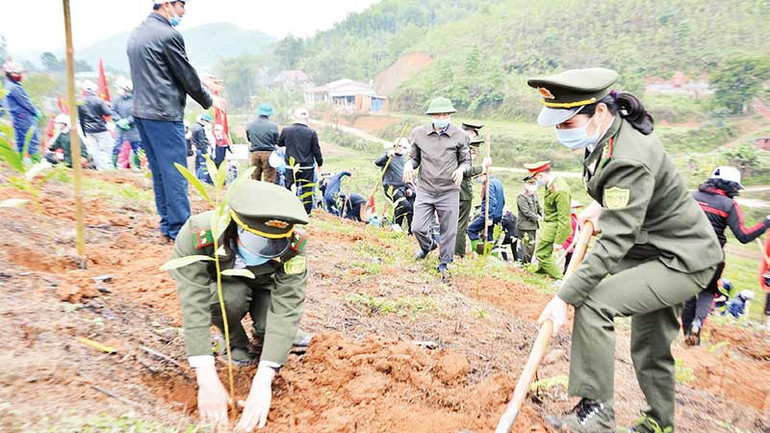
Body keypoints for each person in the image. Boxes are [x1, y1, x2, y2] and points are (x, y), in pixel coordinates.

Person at [531, 68, 722, 433]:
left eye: (567, 124)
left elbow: (613, 241)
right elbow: (626, 196)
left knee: (594, 303)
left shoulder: (628, 155)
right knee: (651, 345)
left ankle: (597, 413)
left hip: (681, 258)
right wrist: (603, 205)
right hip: (653, 247)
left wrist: (563, 298)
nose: (561, 133)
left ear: (599, 112)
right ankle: (660, 424)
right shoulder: (606, 138)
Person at [169, 180, 310, 431]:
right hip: (224, 286)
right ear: (235, 225)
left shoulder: (293, 244)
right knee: (228, 300)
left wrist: (264, 380)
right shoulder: (200, 234)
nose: (264, 250)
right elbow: (194, 302)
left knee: (278, 331)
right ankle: (235, 343)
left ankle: (266, 336)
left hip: (265, 285)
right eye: (256, 241)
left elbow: (288, 303)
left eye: (272, 245)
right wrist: (206, 377)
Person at [128, 0, 224, 241]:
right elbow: (185, 75)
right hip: (163, 114)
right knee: (176, 173)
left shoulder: (138, 33)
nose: (183, 13)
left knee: (160, 172)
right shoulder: (168, 34)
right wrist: (209, 100)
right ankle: (181, 231)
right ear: (168, 4)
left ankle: (167, 226)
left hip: (142, 112)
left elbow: (163, 69)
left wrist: (201, 79)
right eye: (182, 7)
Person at [680, 166, 770, 345]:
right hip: (713, 257)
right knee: (708, 292)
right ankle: (697, 324)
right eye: (735, 188)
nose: (736, 192)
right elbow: (743, 236)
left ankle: (686, 335)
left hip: (687, 252)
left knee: (689, 294)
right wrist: (766, 222)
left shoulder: (691, 196)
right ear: (729, 186)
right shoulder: (728, 205)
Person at [403, 97, 470, 280]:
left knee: (449, 230)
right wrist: (409, 164)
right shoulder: (419, 134)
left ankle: (444, 263)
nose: (442, 117)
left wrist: (461, 169)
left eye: (446, 114)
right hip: (425, 188)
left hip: (449, 190)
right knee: (417, 227)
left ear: (450, 115)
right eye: (438, 114)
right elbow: (414, 158)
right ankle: (427, 246)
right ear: (432, 116)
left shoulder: (460, 135)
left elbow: (466, 161)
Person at [525, 161, 571, 279]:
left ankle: (559, 279)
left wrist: (559, 241)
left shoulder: (560, 191)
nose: (536, 182)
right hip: (549, 224)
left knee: (542, 254)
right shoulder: (550, 184)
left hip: (554, 226)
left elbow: (564, 218)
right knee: (544, 252)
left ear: (540, 175)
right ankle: (539, 274)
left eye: (535, 179)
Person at [279, 107, 323, 214]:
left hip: (291, 166)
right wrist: (319, 163)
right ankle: (306, 212)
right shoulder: (311, 132)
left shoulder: (286, 130)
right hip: (307, 167)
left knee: (290, 188)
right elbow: (316, 149)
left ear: (294, 117)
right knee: (307, 190)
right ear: (307, 119)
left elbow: (279, 143)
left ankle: (289, 211)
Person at [457, 130, 492, 258]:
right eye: (472, 151)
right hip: (462, 194)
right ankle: (459, 252)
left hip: (464, 194)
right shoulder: (460, 155)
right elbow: (466, 171)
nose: (474, 154)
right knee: (461, 225)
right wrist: (483, 166)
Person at [3, 61, 40, 160]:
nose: (19, 75)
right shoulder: (14, 87)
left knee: (20, 140)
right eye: (16, 73)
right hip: (24, 117)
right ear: (9, 74)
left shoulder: (7, 86)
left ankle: (21, 161)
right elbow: (25, 102)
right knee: (32, 140)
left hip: (16, 117)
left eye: (20, 73)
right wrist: (35, 111)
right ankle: (35, 162)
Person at [78, 80, 113, 171]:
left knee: (94, 150)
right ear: (94, 90)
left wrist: (84, 131)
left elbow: (81, 119)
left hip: (88, 130)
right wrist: (108, 105)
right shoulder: (99, 101)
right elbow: (108, 113)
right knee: (106, 148)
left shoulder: (81, 102)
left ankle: (99, 167)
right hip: (100, 128)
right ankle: (107, 166)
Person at [467, 173, 505, 253]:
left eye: (478, 177)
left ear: (483, 175)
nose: (478, 179)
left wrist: (490, 217)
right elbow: (503, 200)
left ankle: (479, 251)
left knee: (471, 229)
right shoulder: (497, 182)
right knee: (491, 236)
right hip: (498, 215)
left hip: (488, 215)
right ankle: (491, 255)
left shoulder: (489, 184)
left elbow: (491, 201)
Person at [111, 78, 143, 169]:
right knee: (117, 145)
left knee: (136, 146)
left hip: (132, 127)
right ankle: (114, 165)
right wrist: (119, 120)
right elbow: (112, 111)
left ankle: (137, 165)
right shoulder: (117, 100)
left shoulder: (135, 100)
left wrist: (128, 120)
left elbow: (137, 112)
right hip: (120, 127)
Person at [247, 103, 279, 183]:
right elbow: (276, 141)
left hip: (255, 153)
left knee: (255, 177)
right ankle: (268, 194)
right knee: (269, 178)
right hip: (268, 154)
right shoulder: (273, 126)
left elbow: (249, 138)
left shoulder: (250, 125)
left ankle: (255, 194)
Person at [517, 177, 542, 264]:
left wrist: (543, 214)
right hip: (525, 226)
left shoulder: (534, 195)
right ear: (526, 185)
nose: (533, 186)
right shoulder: (522, 197)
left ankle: (527, 263)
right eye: (530, 184)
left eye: (534, 184)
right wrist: (537, 217)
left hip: (533, 225)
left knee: (531, 246)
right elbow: (526, 211)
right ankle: (525, 264)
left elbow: (539, 207)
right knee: (527, 246)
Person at [562, 200, 584, 273]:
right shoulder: (566, 218)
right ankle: (564, 273)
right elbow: (566, 233)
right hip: (568, 242)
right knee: (568, 259)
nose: (574, 209)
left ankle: (567, 273)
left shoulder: (574, 217)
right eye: (572, 207)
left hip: (574, 241)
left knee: (572, 259)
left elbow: (578, 227)